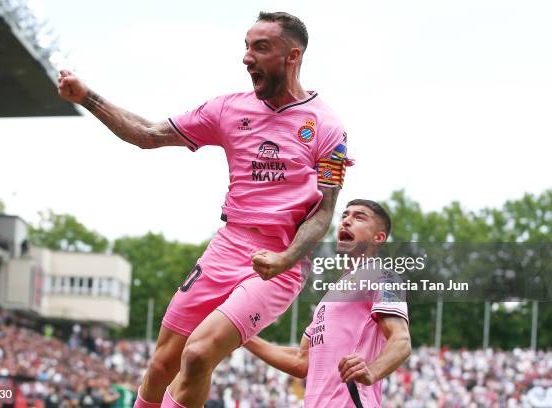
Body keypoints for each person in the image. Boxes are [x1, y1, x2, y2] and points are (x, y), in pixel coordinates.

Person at [58, 11, 351, 408]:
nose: (247, 58)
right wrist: (87, 98)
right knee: (162, 364)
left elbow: (323, 213)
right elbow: (147, 135)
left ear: (292, 56)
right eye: (246, 47)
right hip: (227, 245)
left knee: (197, 355)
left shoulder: (328, 127)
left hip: (280, 261)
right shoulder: (228, 109)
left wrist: (286, 257)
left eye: (260, 47)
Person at [244, 199, 411, 407]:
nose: (346, 221)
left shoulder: (384, 276)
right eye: (344, 216)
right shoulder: (330, 297)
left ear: (378, 237)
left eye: (359, 217)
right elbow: (301, 359)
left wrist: (373, 371)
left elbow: (401, 340)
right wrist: (241, 335)